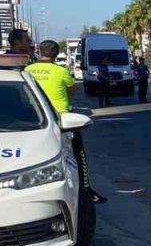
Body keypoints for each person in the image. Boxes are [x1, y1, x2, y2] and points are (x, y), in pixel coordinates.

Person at [27, 40, 106, 204]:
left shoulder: (28, 70)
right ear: (56, 55)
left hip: (34, 118)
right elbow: (72, 90)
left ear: (39, 52)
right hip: (61, 119)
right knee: (77, 154)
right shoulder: (60, 71)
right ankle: (85, 190)